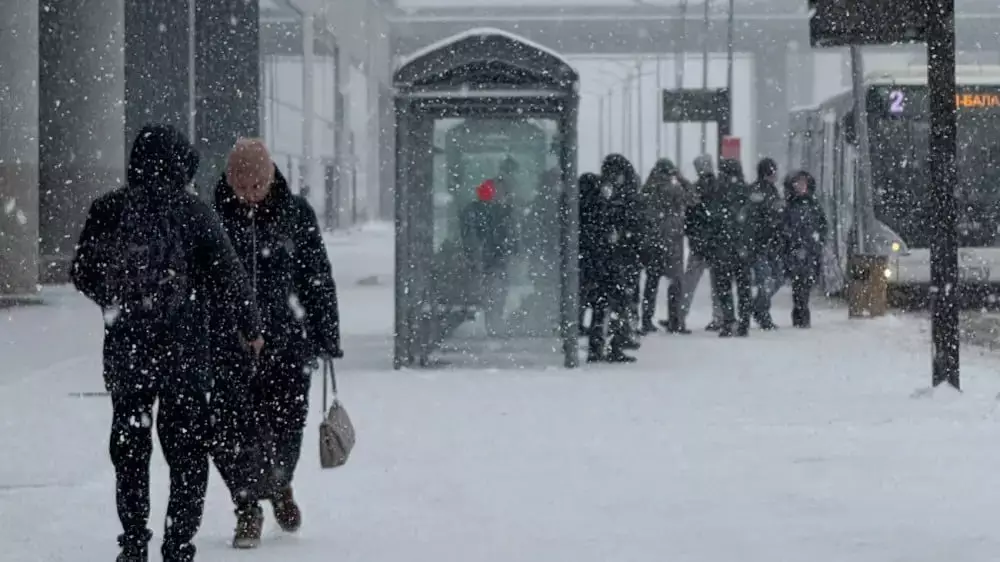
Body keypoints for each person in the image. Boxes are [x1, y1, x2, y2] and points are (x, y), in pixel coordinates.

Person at [71, 124, 264, 562]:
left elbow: (82, 271)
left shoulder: (109, 210)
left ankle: (134, 541)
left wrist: (118, 299)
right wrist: (250, 327)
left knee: (131, 453)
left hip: (128, 354)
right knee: (188, 455)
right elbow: (230, 276)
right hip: (185, 354)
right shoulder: (194, 212)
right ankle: (178, 545)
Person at [211, 138, 342, 548]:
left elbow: (317, 276)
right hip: (230, 345)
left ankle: (280, 484)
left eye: (257, 186)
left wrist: (326, 333)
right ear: (230, 181)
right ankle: (247, 507)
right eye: (242, 187)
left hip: (288, 342)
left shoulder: (295, 215)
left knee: (286, 425)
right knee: (232, 430)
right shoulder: (213, 216)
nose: (249, 195)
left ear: (271, 178)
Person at [589, 154, 643, 362]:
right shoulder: (624, 196)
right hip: (618, 258)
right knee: (618, 303)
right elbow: (635, 223)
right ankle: (614, 345)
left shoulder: (603, 193)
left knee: (602, 304)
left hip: (606, 258)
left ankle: (600, 345)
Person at [639, 158, 698, 334]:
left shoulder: (647, 190)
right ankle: (675, 321)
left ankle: (646, 320)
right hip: (672, 242)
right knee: (675, 283)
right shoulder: (674, 189)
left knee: (651, 283)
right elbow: (694, 198)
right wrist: (682, 179)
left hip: (653, 241)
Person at [461, 178, 518, 336]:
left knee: (496, 295)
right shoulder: (484, 212)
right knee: (494, 296)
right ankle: (494, 327)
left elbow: (510, 236)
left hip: (494, 262)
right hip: (489, 262)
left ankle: (495, 326)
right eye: (498, 191)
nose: (500, 195)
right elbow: (473, 239)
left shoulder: (501, 211)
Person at [704, 158, 753, 337]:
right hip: (742, 249)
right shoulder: (746, 191)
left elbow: (711, 221)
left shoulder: (717, 191)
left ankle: (729, 321)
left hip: (722, 248)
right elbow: (752, 222)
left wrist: (710, 245)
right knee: (743, 287)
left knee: (723, 287)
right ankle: (744, 321)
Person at [678, 155, 725, 332]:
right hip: (717, 243)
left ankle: (680, 317)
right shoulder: (721, 187)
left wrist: (693, 236)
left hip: (699, 244)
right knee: (717, 284)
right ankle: (719, 318)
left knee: (689, 283)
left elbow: (689, 216)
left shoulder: (695, 189)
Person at [783, 170, 827, 328]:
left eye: (803, 183)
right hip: (795, 251)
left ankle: (802, 312)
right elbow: (784, 226)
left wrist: (818, 241)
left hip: (810, 252)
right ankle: (800, 313)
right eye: (797, 183)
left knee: (805, 284)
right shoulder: (790, 205)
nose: (800, 186)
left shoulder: (813, 205)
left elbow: (822, 226)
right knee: (798, 285)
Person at [745, 157, 785, 330]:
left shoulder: (771, 190)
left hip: (770, 243)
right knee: (767, 279)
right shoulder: (757, 191)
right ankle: (762, 313)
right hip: (759, 244)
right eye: (773, 171)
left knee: (776, 277)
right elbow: (755, 216)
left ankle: (756, 307)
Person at [579, 172, 609, 334]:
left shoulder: (576, 204)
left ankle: (577, 324)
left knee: (582, 293)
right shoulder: (598, 204)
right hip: (595, 257)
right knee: (598, 298)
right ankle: (596, 333)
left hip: (582, 257)